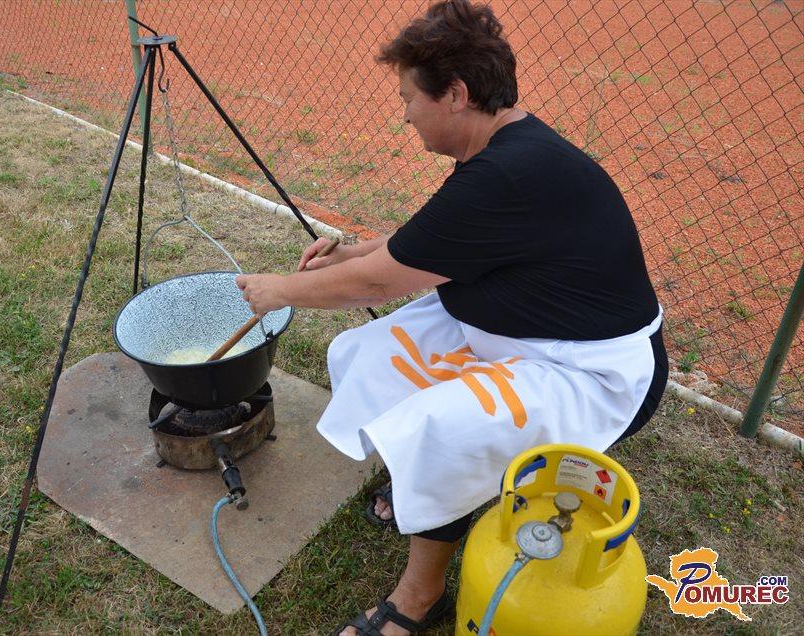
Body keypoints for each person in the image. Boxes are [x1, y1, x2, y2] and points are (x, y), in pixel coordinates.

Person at [236, 1, 668, 633]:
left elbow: (379, 283)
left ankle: (420, 597)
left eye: (410, 98)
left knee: (439, 432)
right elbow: (429, 242)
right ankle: (422, 490)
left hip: (591, 369)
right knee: (374, 356)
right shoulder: (503, 147)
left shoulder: (509, 174)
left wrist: (280, 290)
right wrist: (352, 252)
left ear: (456, 95)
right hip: (519, 331)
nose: (405, 114)